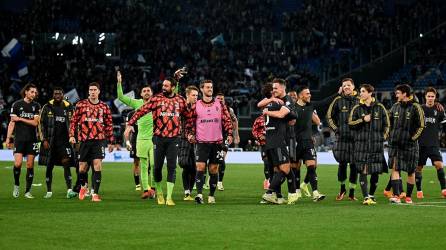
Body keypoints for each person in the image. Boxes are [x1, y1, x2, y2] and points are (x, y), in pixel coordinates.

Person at [125, 76, 189, 206]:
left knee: (172, 167)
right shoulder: (156, 99)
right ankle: (159, 193)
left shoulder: (180, 100)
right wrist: (130, 124)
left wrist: (189, 131)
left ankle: (169, 197)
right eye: (163, 85)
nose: (163, 87)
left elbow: (187, 116)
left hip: (174, 139)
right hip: (158, 138)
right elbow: (141, 111)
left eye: (166, 86)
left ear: (172, 87)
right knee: (157, 168)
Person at [186, 80, 233, 204]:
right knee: (200, 167)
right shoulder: (196, 105)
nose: (210, 89)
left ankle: (211, 195)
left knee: (213, 169)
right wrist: (190, 134)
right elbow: (189, 123)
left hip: (217, 142)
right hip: (201, 142)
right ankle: (200, 195)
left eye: (211, 87)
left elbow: (227, 120)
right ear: (202, 89)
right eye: (207, 87)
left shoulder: (220, 104)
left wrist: (229, 134)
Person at [69, 82, 115, 202]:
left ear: (99, 91)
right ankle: (84, 186)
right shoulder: (81, 105)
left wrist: (111, 141)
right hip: (84, 140)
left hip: (99, 140)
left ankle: (95, 194)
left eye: (95, 89)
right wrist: (72, 135)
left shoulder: (104, 107)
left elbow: (109, 125)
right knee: (82, 168)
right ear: (88, 91)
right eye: (91, 90)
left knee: (97, 166)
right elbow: (73, 121)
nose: (93, 92)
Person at [348, 84, 390, 205]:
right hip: (361, 146)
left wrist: (383, 137)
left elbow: (387, 124)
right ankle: (366, 197)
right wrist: (362, 120)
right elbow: (350, 124)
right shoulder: (356, 108)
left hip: (376, 145)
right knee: (363, 170)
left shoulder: (380, 107)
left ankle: (371, 195)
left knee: (376, 171)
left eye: (363, 91)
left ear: (370, 93)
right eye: (360, 91)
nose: (360, 93)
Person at [118, 71, 155, 199]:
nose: (146, 92)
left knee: (155, 165)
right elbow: (121, 97)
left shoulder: (156, 103)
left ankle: (154, 188)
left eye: (148, 90)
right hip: (141, 139)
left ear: (152, 93)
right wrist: (119, 83)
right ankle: (146, 189)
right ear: (141, 94)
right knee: (143, 165)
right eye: (144, 91)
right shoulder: (136, 103)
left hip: (155, 139)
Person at [260, 82, 299, 205]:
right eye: (273, 88)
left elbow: (287, 116)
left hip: (270, 140)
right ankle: (270, 193)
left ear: (283, 88)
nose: (274, 90)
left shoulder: (276, 101)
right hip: (277, 140)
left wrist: (266, 111)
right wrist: (268, 112)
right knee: (285, 168)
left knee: (278, 170)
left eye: (276, 88)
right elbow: (282, 114)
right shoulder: (279, 101)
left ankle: (283, 196)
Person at [387, 84, 425, 204]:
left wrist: (412, 138)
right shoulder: (395, 106)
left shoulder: (416, 107)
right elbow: (389, 123)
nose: (396, 95)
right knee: (395, 167)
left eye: (398, 93)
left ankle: (408, 196)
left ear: (404, 94)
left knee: (411, 171)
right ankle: (397, 196)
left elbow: (422, 125)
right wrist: (389, 135)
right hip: (395, 144)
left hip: (410, 146)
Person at [39, 87, 77, 199]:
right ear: (53, 94)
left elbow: (74, 123)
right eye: (55, 93)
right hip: (50, 141)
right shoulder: (47, 107)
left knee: (66, 164)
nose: (57, 95)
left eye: (59, 93)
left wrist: (74, 137)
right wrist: (44, 140)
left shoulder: (69, 106)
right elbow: (41, 125)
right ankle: (49, 191)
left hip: (64, 142)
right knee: (49, 166)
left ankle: (69, 190)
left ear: (63, 94)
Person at [327, 78, 360, 201]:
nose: (346, 87)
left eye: (348, 85)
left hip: (356, 140)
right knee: (342, 164)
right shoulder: (338, 100)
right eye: (344, 85)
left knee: (354, 166)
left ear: (353, 86)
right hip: (342, 138)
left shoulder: (360, 100)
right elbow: (329, 116)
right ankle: (342, 189)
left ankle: (352, 192)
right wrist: (336, 129)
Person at [6, 83, 40, 199]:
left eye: (35, 92)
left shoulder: (36, 106)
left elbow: (35, 123)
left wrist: (20, 118)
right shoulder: (16, 105)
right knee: (18, 163)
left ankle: (27, 191)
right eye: (32, 92)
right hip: (19, 139)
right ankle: (16, 185)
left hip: (32, 140)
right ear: (26, 92)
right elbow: (12, 123)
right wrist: (8, 138)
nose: (34, 94)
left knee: (30, 165)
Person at [293, 85, 325, 202]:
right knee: (295, 168)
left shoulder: (310, 106)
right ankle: (296, 191)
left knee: (312, 167)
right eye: (307, 93)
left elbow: (318, 120)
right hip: (295, 142)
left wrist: (338, 94)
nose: (310, 95)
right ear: (301, 95)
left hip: (308, 141)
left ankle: (315, 193)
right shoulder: (292, 108)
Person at [415, 87, 446, 199]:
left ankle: (444, 190)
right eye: (428, 96)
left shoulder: (439, 109)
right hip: (421, 144)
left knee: (439, 165)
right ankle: (419, 191)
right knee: (418, 168)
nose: (430, 98)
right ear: (425, 97)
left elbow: (444, 124)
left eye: (432, 96)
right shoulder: (420, 109)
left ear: (435, 97)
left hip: (433, 144)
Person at [178, 85, 199, 201]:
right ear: (187, 95)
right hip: (182, 139)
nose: (195, 97)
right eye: (193, 95)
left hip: (195, 140)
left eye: (197, 95)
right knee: (185, 164)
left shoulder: (198, 108)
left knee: (194, 168)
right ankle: (187, 192)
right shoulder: (181, 107)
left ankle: (188, 192)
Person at [215, 92, 239, 191]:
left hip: (224, 136)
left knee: (221, 158)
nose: (220, 100)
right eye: (218, 99)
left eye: (222, 99)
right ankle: (208, 179)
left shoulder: (229, 110)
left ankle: (220, 182)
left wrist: (236, 135)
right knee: (209, 160)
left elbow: (235, 121)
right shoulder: (209, 107)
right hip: (210, 136)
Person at [252, 114, 270, 190]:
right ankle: (267, 180)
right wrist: (259, 137)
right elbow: (254, 130)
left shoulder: (275, 117)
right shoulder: (259, 119)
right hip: (264, 145)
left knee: (273, 164)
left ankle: (272, 180)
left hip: (274, 143)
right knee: (266, 162)